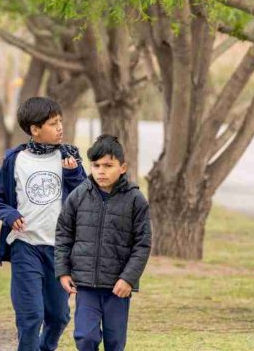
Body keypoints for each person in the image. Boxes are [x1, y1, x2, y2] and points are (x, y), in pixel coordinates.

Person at [0, 96, 86, 351]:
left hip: (59, 250)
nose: (60, 128)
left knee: (58, 316)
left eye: (60, 122)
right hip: (26, 245)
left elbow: (85, 199)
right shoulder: (15, 159)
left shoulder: (69, 156)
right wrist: (9, 215)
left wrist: (73, 174)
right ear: (35, 130)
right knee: (30, 315)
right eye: (53, 123)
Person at [55, 135, 152, 351]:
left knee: (115, 342)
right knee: (85, 338)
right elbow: (63, 234)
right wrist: (63, 271)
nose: (101, 170)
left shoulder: (136, 200)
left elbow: (142, 244)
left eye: (108, 165)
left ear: (123, 167)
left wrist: (128, 279)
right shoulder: (79, 195)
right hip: (85, 285)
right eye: (96, 165)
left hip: (117, 287)